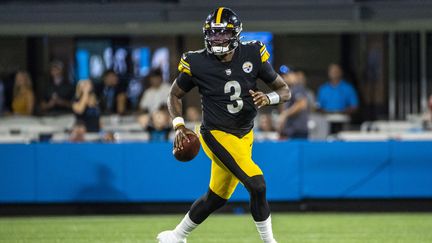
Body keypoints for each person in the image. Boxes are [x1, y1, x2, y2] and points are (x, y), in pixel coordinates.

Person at [158, 7, 290, 243]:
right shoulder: (196, 61)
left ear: (236, 34)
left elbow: (284, 91)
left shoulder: (252, 52)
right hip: (215, 133)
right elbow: (174, 95)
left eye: (223, 33)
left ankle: (176, 236)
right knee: (257, 185)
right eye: (213, 33)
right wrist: (179, 125)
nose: (217, 39)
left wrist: (268, 98)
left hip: (244, 134)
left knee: (217, 197)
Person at [277, 68, 309, 139]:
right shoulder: (287, 90)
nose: (284, 78)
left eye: (287, 75)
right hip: (289, 130)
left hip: (298, 130)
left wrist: (285, 114)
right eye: (283, 76)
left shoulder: (298, 87)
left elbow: (301, 104)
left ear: (294, 75)